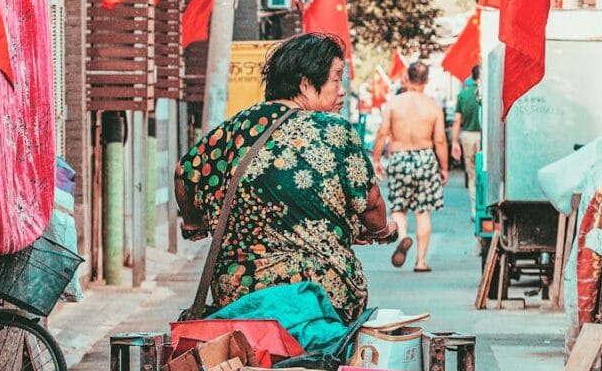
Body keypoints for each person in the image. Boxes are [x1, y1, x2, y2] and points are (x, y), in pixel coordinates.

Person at [176, 34, 398, 322]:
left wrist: (195, 224)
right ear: (306, 84)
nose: (341, 91)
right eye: (336, 79)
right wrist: (381, 230)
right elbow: (370, 203)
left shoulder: (234, 128)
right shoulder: (333, 129)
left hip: (239, 295)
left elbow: (184, 174)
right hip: (318, 293)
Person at [373, 61, 448, 272]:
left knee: (398, 207)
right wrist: (444, 168)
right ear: (426, 81)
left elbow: (382, 133)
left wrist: (377, 159)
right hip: (425, 157)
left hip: (399, 156)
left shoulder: (395, 104)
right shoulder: (433, 106)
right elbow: (440, 140)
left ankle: (403, 237)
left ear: (407, 77)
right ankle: (421, 262)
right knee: (423, 211)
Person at [451, 65, 482, 210]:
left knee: (472, 173)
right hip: (484, 137)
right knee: (485, 171)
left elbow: (457, 120)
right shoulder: (487, 93)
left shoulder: (463, 95)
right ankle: (485, 205)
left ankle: (475, 208)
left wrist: (454, 142)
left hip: (468, 136)